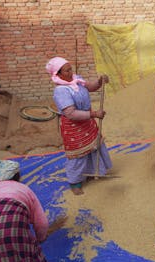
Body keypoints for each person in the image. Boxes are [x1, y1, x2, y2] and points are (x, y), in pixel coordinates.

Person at [46, 56, 113, 195]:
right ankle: (75, 182)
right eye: (66, 71)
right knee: (78, 156)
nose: (71, 72)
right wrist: (94, 114)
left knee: (94, 148)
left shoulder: (76, 79)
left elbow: (91, 87)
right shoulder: (61, 91)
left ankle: (91, 172)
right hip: (74, 127)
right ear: (57, 74)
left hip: (87, 122)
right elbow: (70, 113)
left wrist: (100, 82)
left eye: (71, 69)